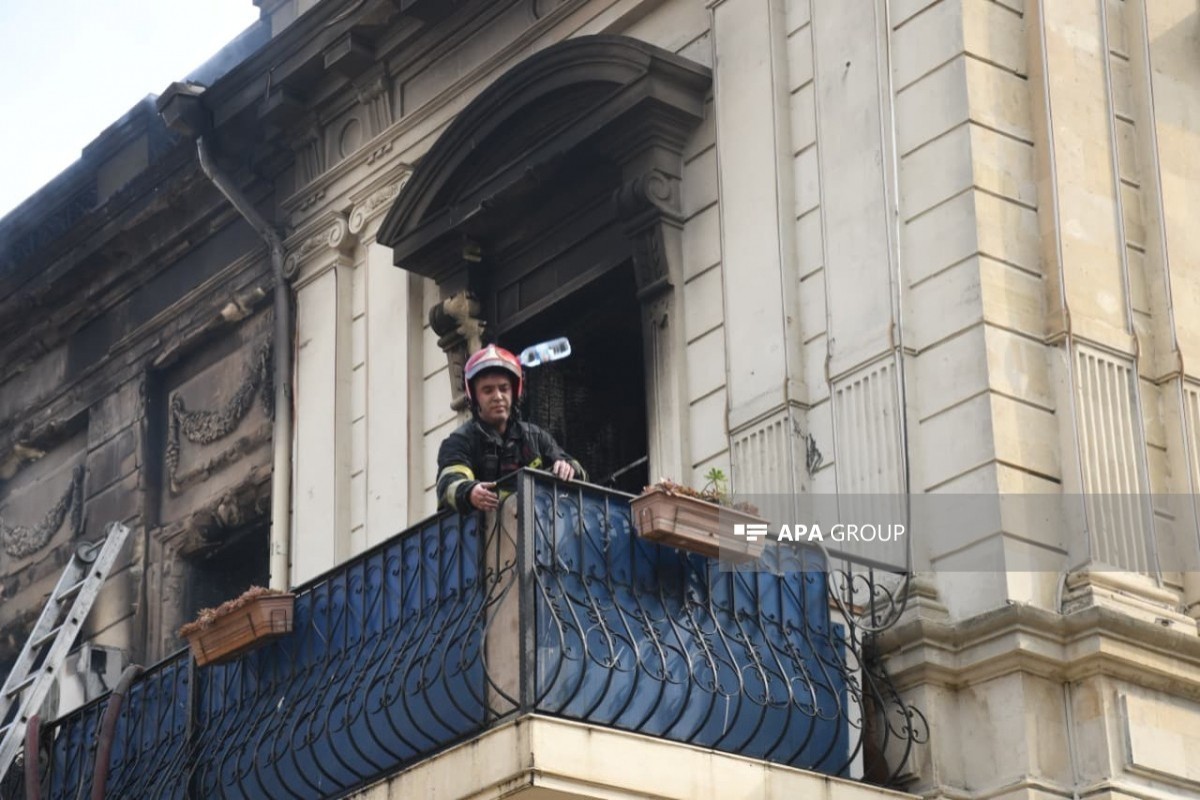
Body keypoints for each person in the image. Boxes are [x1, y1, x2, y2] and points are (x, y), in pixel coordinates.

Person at [437, 344, 586, 512]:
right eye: (488, 390)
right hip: (479, 534)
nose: (498, 397)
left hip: (535, 532)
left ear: (514, 392)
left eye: (503, 388)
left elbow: (579, 473)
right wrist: (469, 492)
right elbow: (447, 485)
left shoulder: (535, 437)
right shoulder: (460, 441)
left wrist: (569, 468)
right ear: (475, 397)